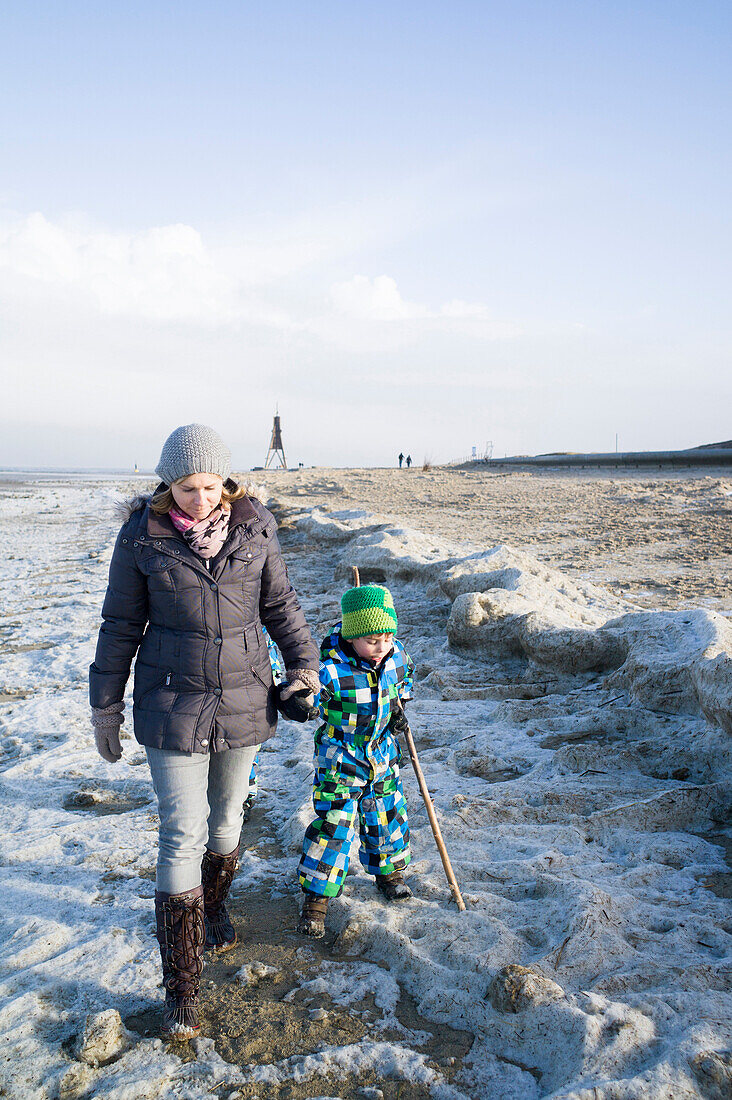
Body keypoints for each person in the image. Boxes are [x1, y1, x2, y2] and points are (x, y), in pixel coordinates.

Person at [89, 423, 319, 1038]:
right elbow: (118, 628)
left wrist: (304, 668)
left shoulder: (256, 528)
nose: (199, 498)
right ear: (168, 484)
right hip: (171, 703)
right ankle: (182, 990)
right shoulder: (142, 537)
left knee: (227, 822)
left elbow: (281, 607)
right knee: (181, 831)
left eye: (210, 486)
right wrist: (104, 709)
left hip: (245, 699)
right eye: (186, 487)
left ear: (227, 483)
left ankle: (210, 911)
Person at [297, 584, 414, 938]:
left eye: (387, 639)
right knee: (335, 826)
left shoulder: (396, 657)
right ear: (351, 637)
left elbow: (404, 680)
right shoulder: (331, 670)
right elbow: (310, 698)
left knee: (386, 815)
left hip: (381, 754)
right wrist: (303, 702)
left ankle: (389, 871)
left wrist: (399, 708)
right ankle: (317, 897)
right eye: (371, 641)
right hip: (341, 759)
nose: (381, 648)